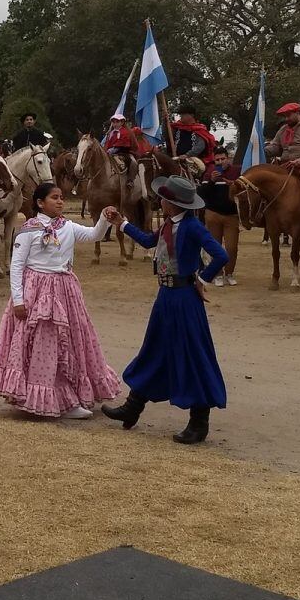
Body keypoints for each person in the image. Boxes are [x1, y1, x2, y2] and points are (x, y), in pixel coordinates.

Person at [102, 176, 228, 445]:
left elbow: (220, 255)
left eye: (163, 198)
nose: (159, 201)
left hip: (184, 299)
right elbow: (148, 242)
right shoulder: (168, 225)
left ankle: (199, 421)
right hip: (165, 297)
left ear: (173, 203)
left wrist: (202, 279)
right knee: (155, 349)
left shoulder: (193, 227)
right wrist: (121, 223)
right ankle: (133, 407)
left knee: (192, 354)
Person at [0, 183, 122, 419]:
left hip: (65, 291)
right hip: (37, 293)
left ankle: (67, 397)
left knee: (68, 342)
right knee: (42, 344)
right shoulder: (28, 230)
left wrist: (105, 219)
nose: (60, 202)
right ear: (40, 203)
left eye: (61, 198)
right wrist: (18, 299)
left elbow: (93, 235)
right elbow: (17, 266)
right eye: (54, 198)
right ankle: (42, 396)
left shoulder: (67, 226)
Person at [197, 146, 241, 286]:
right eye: (217, 160)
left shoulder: (236, 171)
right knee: (215, 247)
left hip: (231, 215)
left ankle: (229, 273)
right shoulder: (209, 172)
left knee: (231, 247)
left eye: (223, 159)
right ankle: (217, 274)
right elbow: (202, 193)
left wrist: (233, 184)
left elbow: (243, 191)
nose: (220, 162)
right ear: (213, 160)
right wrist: (212, 181)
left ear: (228, 159)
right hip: (213, 214)